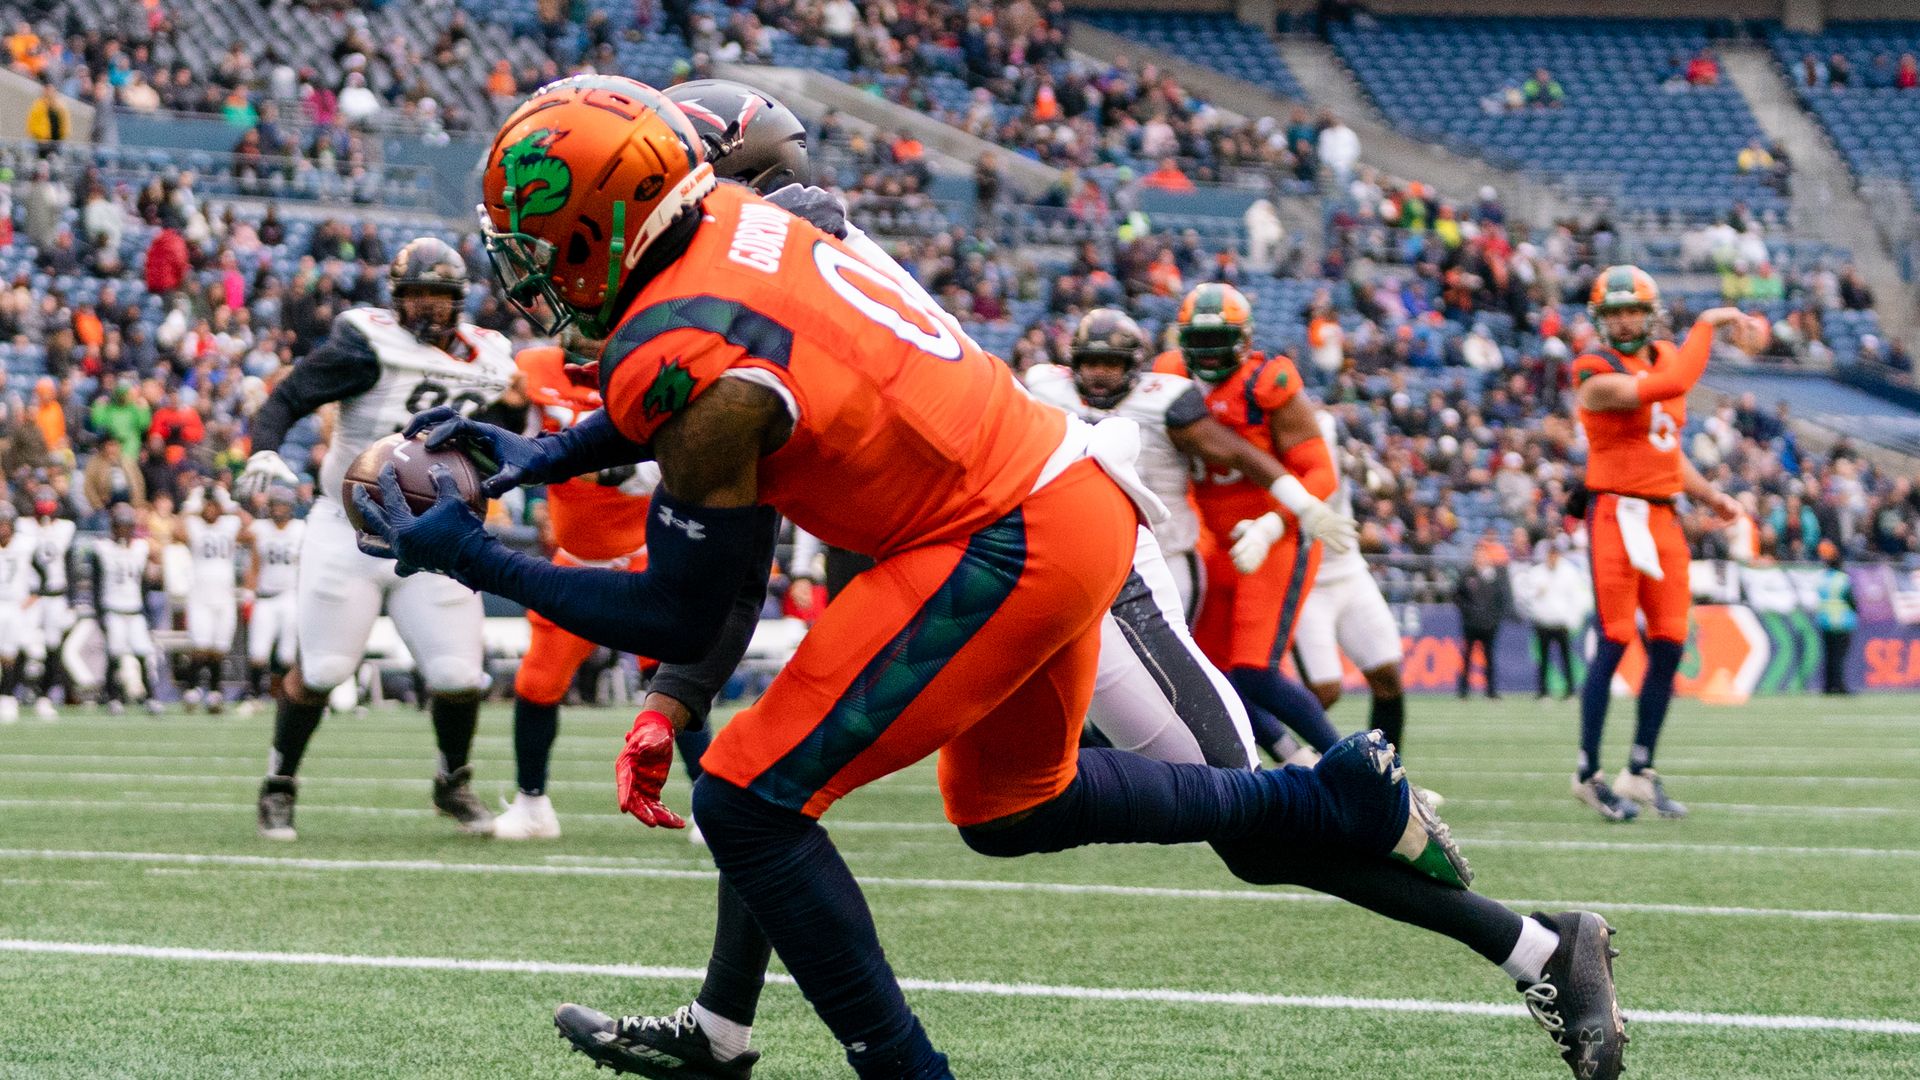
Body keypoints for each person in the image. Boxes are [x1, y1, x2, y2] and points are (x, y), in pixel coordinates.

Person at [356, 75, 1622, 1080]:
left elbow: (694, 579)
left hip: (1012, 538)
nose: (525, 276)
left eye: (539, 245)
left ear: (610, 224)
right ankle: (724, 1027)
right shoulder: (759, 224)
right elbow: (687, 406)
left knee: (752, 791)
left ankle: (1417, 868)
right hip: (1007, 515)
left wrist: (468, 549)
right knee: (1000, 805)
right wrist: (526, 461)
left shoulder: (697, 346)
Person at [236, 237, 515, 841]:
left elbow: (510, 428)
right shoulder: (368, 343)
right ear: (396, 299)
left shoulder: (495, 359)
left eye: (439, 297)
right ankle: (279, 783)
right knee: (325, 668)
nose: (428, 308)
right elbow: (289, 394)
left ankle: (452, 781)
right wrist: (263, 446)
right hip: (350, 528)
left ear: (460, 302)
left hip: (437, 535)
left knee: (458, 673)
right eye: (416, 295)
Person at [492, 342, 710, 842]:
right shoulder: (533, 368)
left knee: (674, 679)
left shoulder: (652, 365)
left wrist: (581, 463)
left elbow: (666, 461)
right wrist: (505, 407)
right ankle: (531, 804)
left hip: (644, 553)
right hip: (575, 559)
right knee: (538, 683)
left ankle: (709, 801)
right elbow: (504, 438)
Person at [1153, 283, 1359, 761]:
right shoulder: (1167, 376)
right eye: (1198, 342)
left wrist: (1271, 524)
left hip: (1276, 537)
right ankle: (1297, 760)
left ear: (1244, 340)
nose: (1207, 354)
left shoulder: (1267, 383)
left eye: (1218, 341)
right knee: (1209, 676)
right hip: (1207, 543)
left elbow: (1320, 472)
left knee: (1252, 670)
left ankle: (1356, 767)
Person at [1571, 266, 1745, 822]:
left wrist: (1710, 494)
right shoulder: (1594, 371)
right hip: (1614, 516)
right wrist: (1707, 325)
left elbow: (1666, 448)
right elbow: (1668, 387)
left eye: (1632, 310)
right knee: (1617, 637)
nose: (1624, 321)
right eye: (1614, 312)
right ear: (1600, 320)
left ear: (1648, 314)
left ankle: (1639, 769)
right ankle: (1587, 773)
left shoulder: (1667, 355)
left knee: (1670, 639)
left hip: (1664, 516)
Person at [1290, 412, 1411, 751]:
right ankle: (1289, 768)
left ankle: (1385, 780)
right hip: (1307, 581)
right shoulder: (1276, 447)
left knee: (1388, 676)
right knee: (1324, 691)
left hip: (1349, 569)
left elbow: (1386, 484)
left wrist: (1364, 467)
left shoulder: (1330, 434)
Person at [175, 485, 251, 712]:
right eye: (206, 504)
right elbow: (176, 528)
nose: (210, 509)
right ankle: (191, 689)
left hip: (224, 595)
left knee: (219, 647)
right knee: (200, 645)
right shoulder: (195, 525)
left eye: (214, 504)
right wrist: (190, 504)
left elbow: (251, 526)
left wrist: (230, 504)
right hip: (200, 594)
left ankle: (215, 692)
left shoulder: (229, 524)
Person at [91, 503, 163, 715]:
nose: (123, 530)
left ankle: (150, 697)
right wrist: (100, 613)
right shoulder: (103, 548)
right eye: (119, 525)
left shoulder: (140, 548)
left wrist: (146, 611)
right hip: (113, 608)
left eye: (126, 525)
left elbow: (144, 584)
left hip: (134, 609)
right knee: (114, 654)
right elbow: (97, 583)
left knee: (143, 653)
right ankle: (113, 696)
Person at [243, 488, 303, 712]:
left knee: (287, 655)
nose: (278, 509)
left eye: (282, 504)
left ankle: (284, 695)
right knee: (258, 652)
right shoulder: (260, 528)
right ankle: (254, 695)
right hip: (265, 596)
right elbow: (252, 559)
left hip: (290, 595)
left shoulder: (301, 529)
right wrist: (249, 594)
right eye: (275, 504)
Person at [23, 488, 76, 719]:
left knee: (53, 647)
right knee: (25, 644)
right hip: (32, 595)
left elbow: (70, 563)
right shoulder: (25, 527)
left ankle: (44, 695)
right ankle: (17, 693)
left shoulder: (65, 528)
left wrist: (71, 596)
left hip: (55, 594)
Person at [1520, 536, 1584, 699]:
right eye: (1551, 554)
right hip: (1543, 622)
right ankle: (1543, 692)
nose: (1553, 557)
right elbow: (1525, 594)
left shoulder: (1568, 572)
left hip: (1561, 623)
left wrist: (1572, 620)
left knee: (1565, 658)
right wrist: (1537, 594)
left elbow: (1575, 598)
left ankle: (1570, 691)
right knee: (1543, 659)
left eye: (1555, 554)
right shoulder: (1537, 572)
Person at [1454, 544, 1510, 699]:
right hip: (1471, 624)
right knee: (1467, 657)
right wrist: (1468, 613)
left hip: (1489, 625)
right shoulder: (1467, 574)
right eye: (1477, 555)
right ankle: (1463, 691)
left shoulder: (1493, 576)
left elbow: (1500, 599)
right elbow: (1458, 597)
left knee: (1489, 658)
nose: (1480, 558)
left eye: (1482, 555)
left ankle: (1491, 691)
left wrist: (1494, 618)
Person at [0, 505, 34, 723]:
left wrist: (36, 594)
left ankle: (7, 696)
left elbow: (44, 570)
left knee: (11, 655)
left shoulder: (25, 545)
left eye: (6, 524)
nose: (3, 529)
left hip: (13, 605)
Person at [1814, 540, 1855, 695]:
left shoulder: (1823, 577)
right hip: (1842, 621)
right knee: (1839, 657)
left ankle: (1828, 686)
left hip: (1825, 621)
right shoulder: (1843, 578)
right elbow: (1851, 600)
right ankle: (1839, 685)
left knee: (1829, 656)